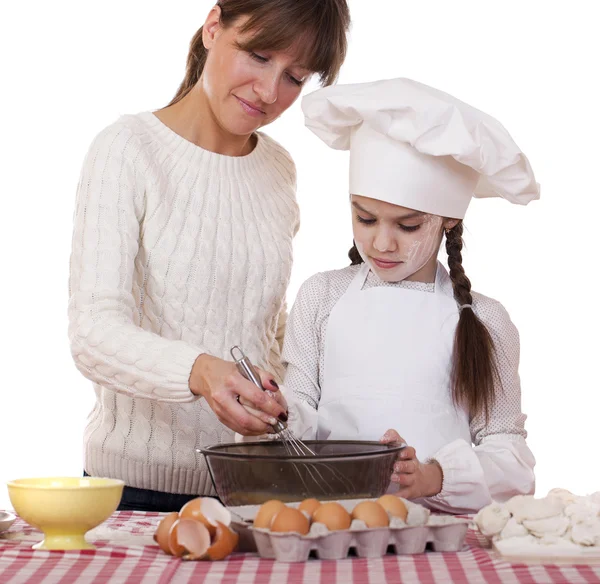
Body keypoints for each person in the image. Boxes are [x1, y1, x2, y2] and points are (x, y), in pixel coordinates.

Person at [68, 0, 351, 512]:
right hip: (132, 492)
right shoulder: (127, 150)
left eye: (294, 76)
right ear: (214, 27)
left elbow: (266, 321)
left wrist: (287, 392)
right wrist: (201, 371)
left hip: (255, 488)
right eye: (259, 56)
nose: (269, 93)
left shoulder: (278, 169)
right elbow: (92, 333)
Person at [244, 78, 539, 514]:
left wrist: (432, 476)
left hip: (434, 538)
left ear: (449, 222)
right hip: (331, 525)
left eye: (407, 226)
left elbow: (511, 461)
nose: (382, 244)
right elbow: (302, 414)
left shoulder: (485, 320)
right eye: (365, 218)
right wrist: (278, 410)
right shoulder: (322, 296)